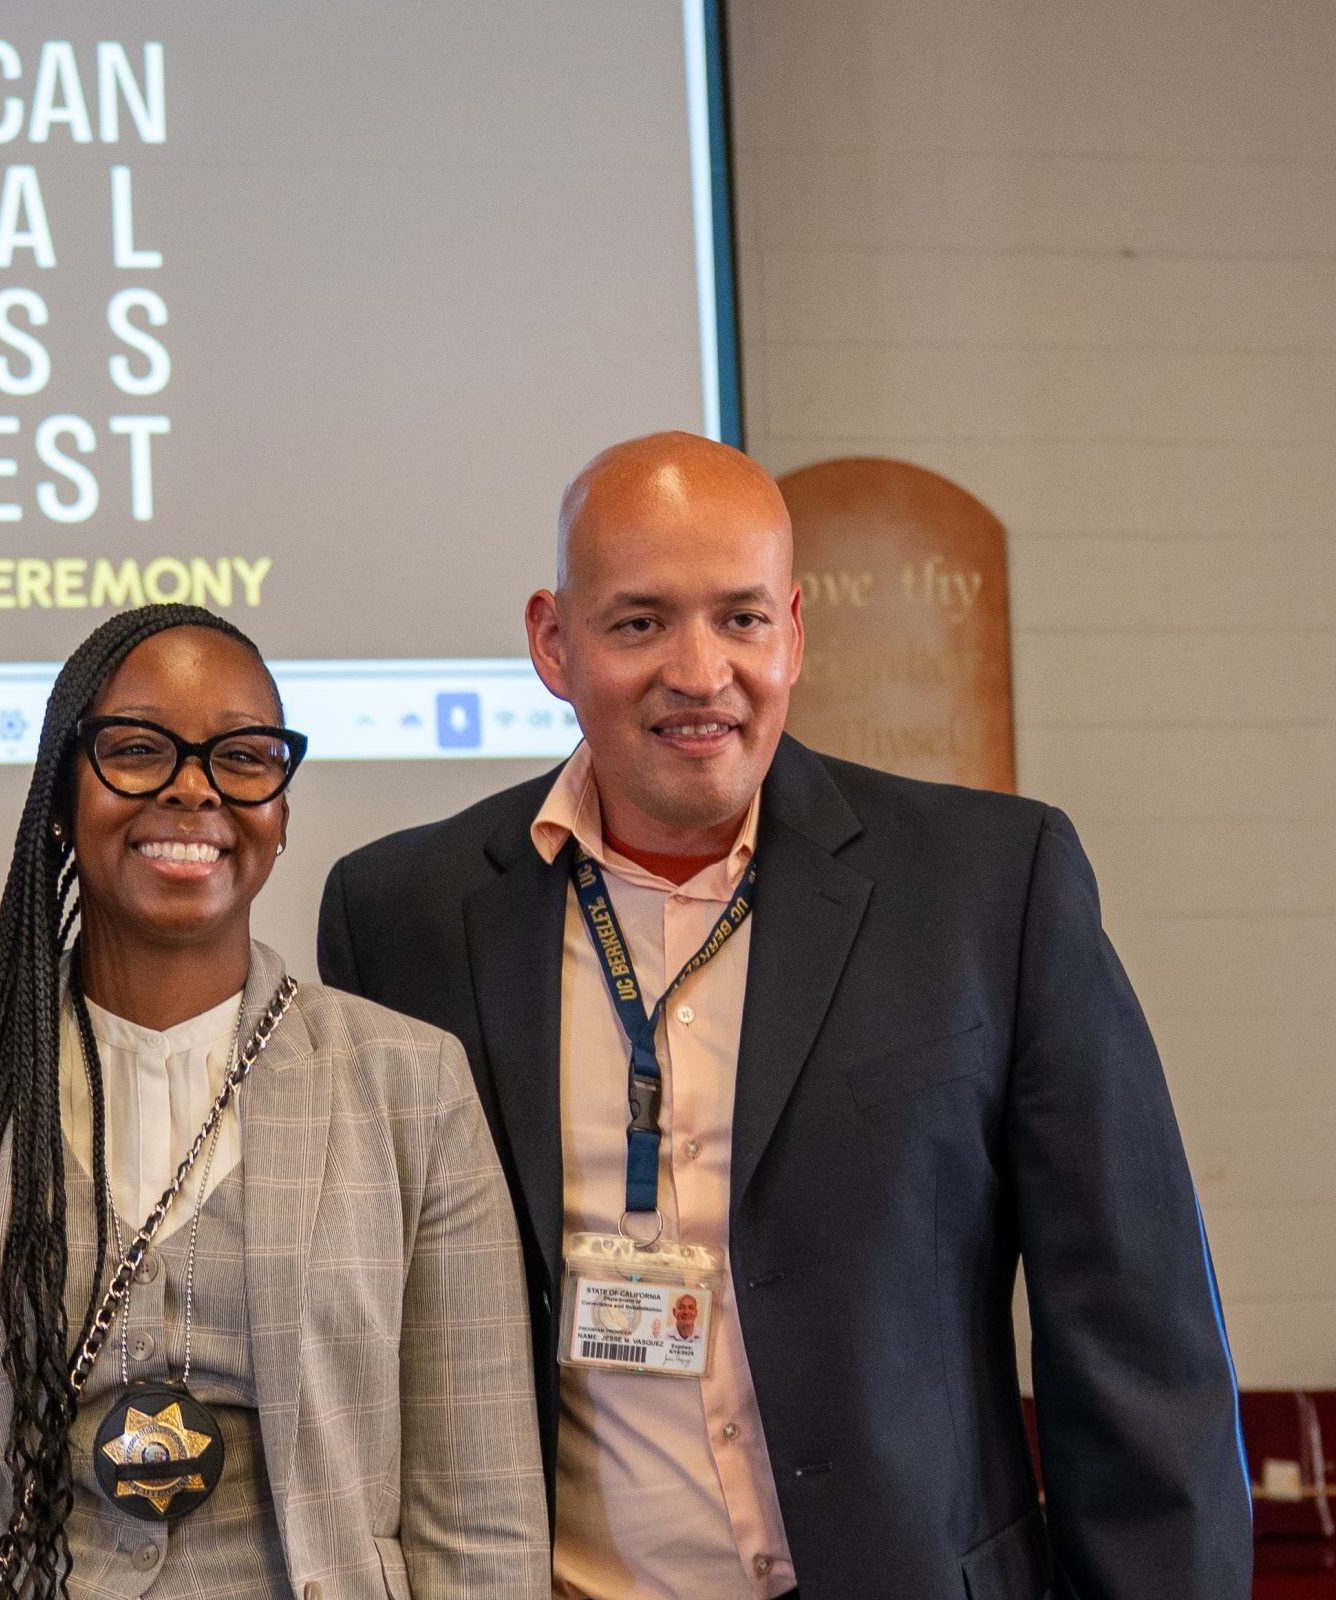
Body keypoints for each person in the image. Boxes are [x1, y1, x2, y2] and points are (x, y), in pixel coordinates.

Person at [319, 432, 1249, 1600]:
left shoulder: (988, 886)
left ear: (794, 631)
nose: (699, 672)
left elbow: (1135, 1332)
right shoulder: (400, 916)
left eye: (741, 619)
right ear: (555, 642)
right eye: (640, 621)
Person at [0, 604, 548, 1600]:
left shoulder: (406, 1083)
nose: (192, 786)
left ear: (282, 810)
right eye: (135, 749)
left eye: (243, 756)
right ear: (57, 795)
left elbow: (480, 1506)